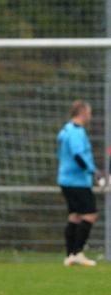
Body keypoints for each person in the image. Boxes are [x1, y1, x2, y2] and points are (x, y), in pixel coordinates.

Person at [57, 100, 100, 266]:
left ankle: (70, 255)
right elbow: (78, 155)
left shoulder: (66, 130)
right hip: (77, 181)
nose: (90, 115)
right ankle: (78, 252)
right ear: (82, 112)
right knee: (90, 214)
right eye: (89, 112)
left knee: (75, 216)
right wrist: (94, 172)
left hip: (65, 178)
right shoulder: (76, 132)